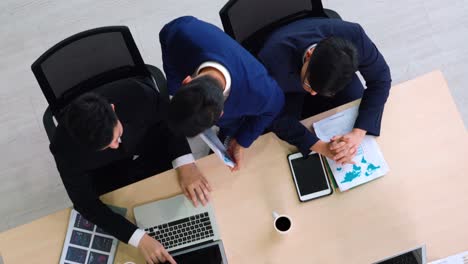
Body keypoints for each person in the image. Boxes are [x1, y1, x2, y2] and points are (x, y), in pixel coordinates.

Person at [50, 77, 211, 264]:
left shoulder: (137, 93)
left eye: (116, 136)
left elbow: (169, 122)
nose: (115, 144)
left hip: (150, 149)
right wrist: (138, 239)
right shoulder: (64, 148)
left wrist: (186, 164)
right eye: (107, 145)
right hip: (109, 174)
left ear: (112, 108)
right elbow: (85, 203)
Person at [258, 18, 391, 163]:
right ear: (310, 55)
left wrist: (357, 133)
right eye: (309, 85)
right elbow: (270, 112)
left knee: (357, 106)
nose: (313, 94)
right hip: (285, 88)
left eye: (317, 91)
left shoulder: (355, 37)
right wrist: (321, 147)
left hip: (329, 77)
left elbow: (380, 79)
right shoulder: (270, 60)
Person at [160, 16, 285, 171]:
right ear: (185, 81)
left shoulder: (260, 93)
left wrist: (241, 141)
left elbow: (276, 104)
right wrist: (173, 85)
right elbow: (166, 33)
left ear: (221, 115)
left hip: (241, 108)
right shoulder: (182, 32)